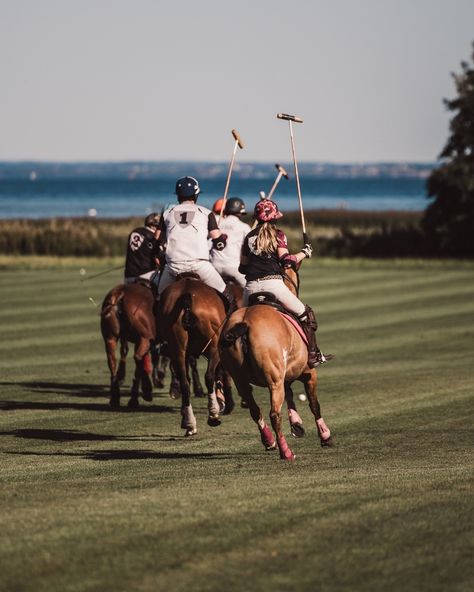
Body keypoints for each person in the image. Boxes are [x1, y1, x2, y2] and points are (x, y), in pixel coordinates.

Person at [239, 198, 332, 368]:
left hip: (250, 288)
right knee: (306, 315)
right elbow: (287, 261)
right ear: (275, 218)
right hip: (274, 286)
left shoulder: (248, 237)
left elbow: (242, 268)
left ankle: (233, 363)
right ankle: (313, 355)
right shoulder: (279, 235)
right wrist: (304, 252)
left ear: (257, 218)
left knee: (235, 325)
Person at [155, 176, 234, 309]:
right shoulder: (206, 213)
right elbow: (219, 243)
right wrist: (222, 239)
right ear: (196, 195)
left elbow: (157, 238)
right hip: (200, 266)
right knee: (227, 297)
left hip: (173, 267)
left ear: (178, 195)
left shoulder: (167, 213)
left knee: (158, 300)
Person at [210, 197, 251, 288]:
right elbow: (250, 249)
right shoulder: (244, 227)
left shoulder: (217, 223)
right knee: (251, 288)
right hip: (233, 268)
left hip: (214, 266)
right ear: (240, 213)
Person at [124, 212, 162, 287]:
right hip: (146, 274)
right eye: (159, 227)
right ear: (153, 226)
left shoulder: (134, 231)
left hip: (129, 276)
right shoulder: (153, 237)